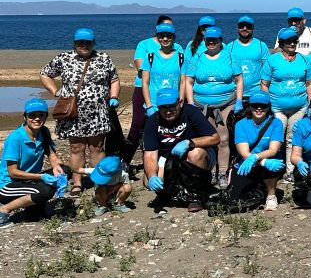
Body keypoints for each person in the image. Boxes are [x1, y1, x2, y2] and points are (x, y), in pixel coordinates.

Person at [40, 28, 120, 195]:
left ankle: (100, 181)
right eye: (80, 42)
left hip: (98, 113)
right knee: (76, 148)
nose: (84, 45)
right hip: (73, 114)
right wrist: (56, 92)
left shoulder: (103, 58)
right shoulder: (64, 58)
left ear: (93, 43)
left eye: (88, 42)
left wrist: (113, 96)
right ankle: (77, 184)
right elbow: (45, 74)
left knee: (97, 148)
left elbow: (114, 79)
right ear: (74, 43)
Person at [142, 88, 221, 213]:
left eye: (171, 106)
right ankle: (166, 194)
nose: (168, 111)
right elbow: (150, 155)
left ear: (180, 102)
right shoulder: (153, 121)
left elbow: (215, 138)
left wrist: (190, 143)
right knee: (147, 179)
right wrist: (152, 176)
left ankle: (195, 196)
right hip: (168, 158)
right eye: (163, 107)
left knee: (195, 153)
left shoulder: (191, 112)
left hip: (194, 155)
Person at [185, 26, 243, 186]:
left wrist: (238, 101)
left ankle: (223, 173)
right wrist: (190, 103)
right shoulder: (196, 58)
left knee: (223, 139)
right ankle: (210, 173)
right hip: (201, 105)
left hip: (226, 104)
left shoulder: (230, 57)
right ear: (204, 41)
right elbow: (189, 82)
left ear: (220, 41)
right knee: (209, 139)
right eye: (208, 40)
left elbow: (239, 80)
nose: (211, 42)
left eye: (214, 40)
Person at [0, 99, 66, 228]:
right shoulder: (16, 138)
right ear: (25, 117)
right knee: (46, 190)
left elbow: (51, 153)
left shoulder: (44, 132)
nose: (37, 119)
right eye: (32, 115)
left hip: (28, 180)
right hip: (8, 185)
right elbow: (13, 172)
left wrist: (56, 166)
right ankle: (3, 211)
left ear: (46, 116)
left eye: (41, 115)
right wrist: (41, 177)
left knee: (65, 170)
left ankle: (33, 209)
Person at [260, 27, 311, 176]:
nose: (292, 44)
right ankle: (274, 168)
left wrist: (310, 103)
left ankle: (290, 171)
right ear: (282, 43)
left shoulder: (304, 59)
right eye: (288, 41)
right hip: (277, 107)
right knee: (276, 138)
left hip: (300, 107)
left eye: (294, 41)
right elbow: (264, 84)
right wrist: (267, 104)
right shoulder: (272, 60)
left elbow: (309, 84)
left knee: (292, 139)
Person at [126, 15, 179, 161]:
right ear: (157, 29)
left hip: (169, 93)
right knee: (137, 124)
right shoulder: (145, 45)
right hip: (145, 89)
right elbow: (140, 66)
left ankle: (163, 159)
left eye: (170, 29)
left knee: (167, 125)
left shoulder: (177, 48)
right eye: (163, 28)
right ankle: (126, 159)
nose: (166, 34)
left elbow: (181, 72)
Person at [228, 91, 286, 211]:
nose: (259, 109)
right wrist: (261, 161)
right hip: (246, 163)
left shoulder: (276, 123)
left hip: (267, 161)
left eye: (263, 106)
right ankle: (259, 187)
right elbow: (244, 153)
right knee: (236, 201)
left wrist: (258, 159)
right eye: (255, 105)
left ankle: (271, 195)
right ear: (250, 106)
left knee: (272, 164)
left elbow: (273, 150)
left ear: (268, 107)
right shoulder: (241, 124)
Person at [139, 23, 186, 120]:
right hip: (155, 105)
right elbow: (145, 82)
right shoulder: (150, 57)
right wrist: (149, 105)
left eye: (168, 36)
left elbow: (183, 82)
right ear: (157, 37)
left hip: (173, 106)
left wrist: (180, 103)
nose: (165, 39)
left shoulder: (181, 57)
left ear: (174, 37)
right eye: (161, 36)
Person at [226, 15, 271, 103]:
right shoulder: (229, 47)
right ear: (237, 28)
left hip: (256, 94)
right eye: (242, 26)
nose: (245, 28)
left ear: (253, 29)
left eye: (248, 26)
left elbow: (268, 70)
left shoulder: (261, 46)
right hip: (234, 95)